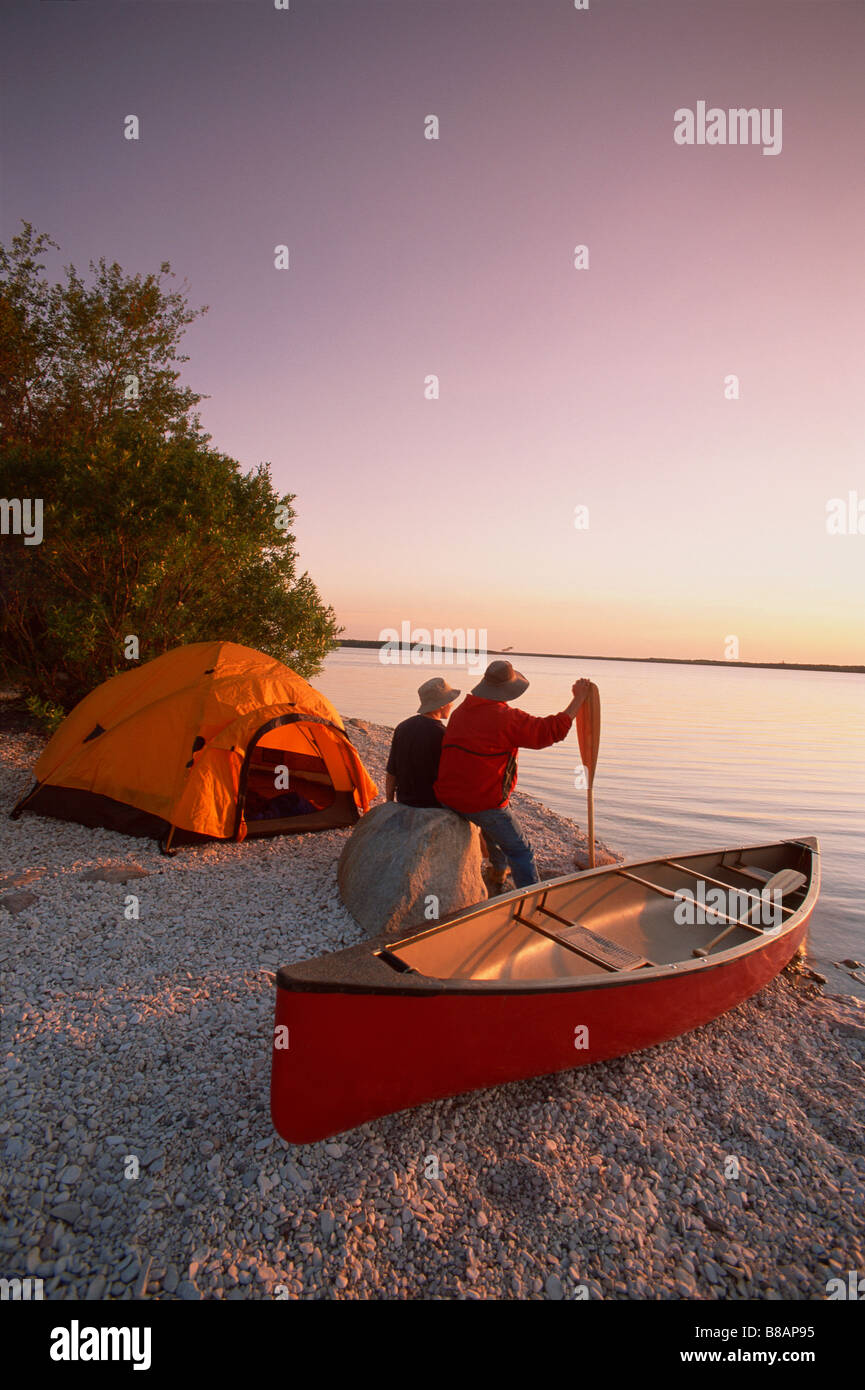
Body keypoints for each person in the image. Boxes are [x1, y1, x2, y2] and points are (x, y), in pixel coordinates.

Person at [434, 660, 592, 892]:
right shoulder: (506, 717)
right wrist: (578, 698)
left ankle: (497, 872)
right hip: (481, 801)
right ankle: (530, 900)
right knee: (521, 851)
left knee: (492, 826)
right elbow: (550, 731)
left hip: (448, 795)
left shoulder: (461, 711)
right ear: (506, 690)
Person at [385, 676, 461, 808]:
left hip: (405, 800)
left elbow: (391, 772)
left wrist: (389, 803)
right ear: (442, 704)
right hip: (432, 803)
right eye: (450, 701)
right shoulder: (443, 734)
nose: (452, 704)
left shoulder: (402, 727)